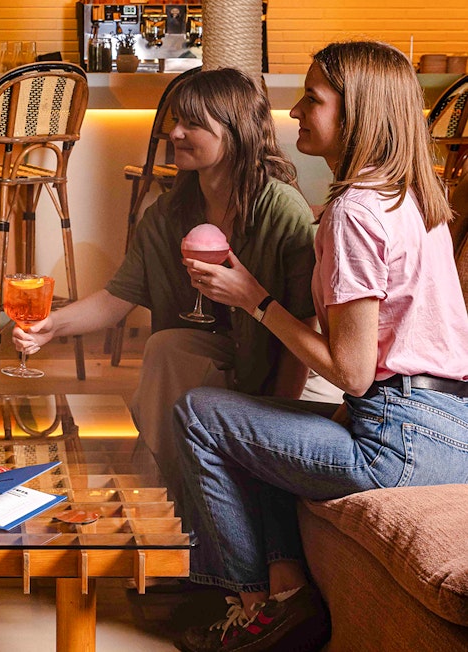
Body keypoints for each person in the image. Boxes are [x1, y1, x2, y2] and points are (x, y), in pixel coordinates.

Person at [173, 41, 468, 652]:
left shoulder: (355, 212)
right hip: (453, 435)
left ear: (356, 113)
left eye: (313, 99)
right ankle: (286, 594)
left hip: (397, 446)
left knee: (201, 412)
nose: (295, 112)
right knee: (262, 424)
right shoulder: (411, 195)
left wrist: (254, 298)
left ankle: (254, 608)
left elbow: (352, 374)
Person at [12, 67, 328, 505]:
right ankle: (176, 506)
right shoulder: (167, 214)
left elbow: (303, 331)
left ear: (234, 132)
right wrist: (53, 325)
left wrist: (275, 418)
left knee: (183, 359)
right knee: (168, 348)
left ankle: (203, 504)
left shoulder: (281, 210)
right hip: (223, 355)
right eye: (175, 120)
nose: (174, 132)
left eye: (192, 123)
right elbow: (116, 298)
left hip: (291, 367)